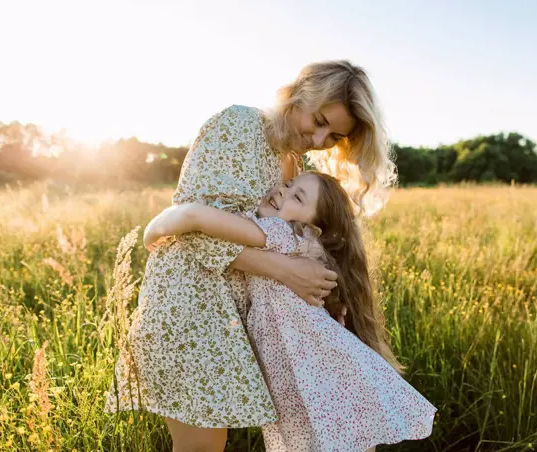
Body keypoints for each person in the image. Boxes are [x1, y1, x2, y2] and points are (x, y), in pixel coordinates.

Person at [106, 60, 398, 452]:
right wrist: (286, 270)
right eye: (320, 120)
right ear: (300, 94)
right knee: (201, 446)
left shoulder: (294, 162)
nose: (319, 139)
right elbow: (192, 227)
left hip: (231, 315)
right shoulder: (240, 125)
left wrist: (326, 294)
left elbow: (287, 237)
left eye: (334, 136)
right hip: (189, 302)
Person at [143, 171, 437, 452]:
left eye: (298, 198)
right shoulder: (298, 241)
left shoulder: (283, 233)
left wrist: (155, 228)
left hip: (308, 367)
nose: (283, 191)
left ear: (312, 226)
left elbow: (197, 217)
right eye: (290, 183)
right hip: (302, 369)